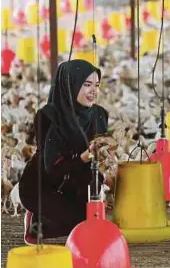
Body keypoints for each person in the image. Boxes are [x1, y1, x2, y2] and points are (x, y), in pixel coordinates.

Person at [19, 59, 112, 245]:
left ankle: (64, 211)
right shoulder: (48, 116)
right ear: (70, 85)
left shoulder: (99, 114)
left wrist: (106, 159)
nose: (93, 91)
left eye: (96, 85)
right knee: (79, 221)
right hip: (43, 183)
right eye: (86, 85)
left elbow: (100, 153)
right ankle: (37, 219)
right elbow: (51, 168)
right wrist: (85, 156)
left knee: (93, 218)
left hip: (75, 178)